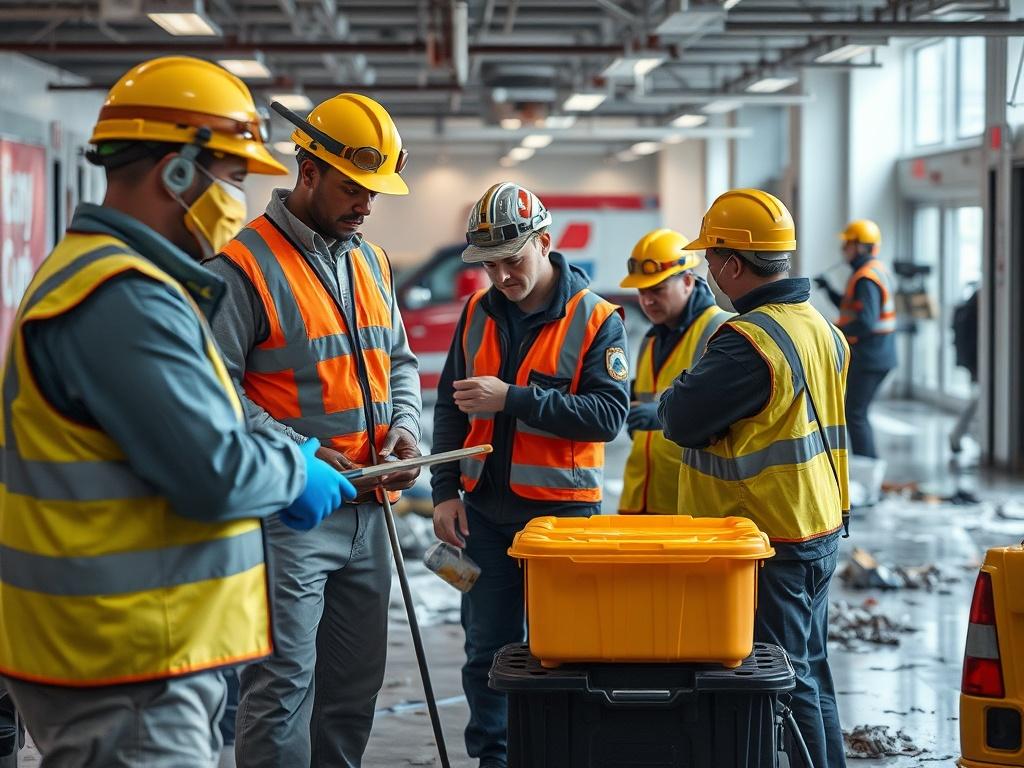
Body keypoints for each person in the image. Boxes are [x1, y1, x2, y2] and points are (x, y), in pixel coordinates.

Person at [0, 56, 355, 768]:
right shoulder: (123, 296)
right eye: (231, 176)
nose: (237, 198)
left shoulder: (107, 275)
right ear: (178, 172)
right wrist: (294, 469)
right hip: (128, 660)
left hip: (125, 649)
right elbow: (213, 467)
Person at [205, 92, 421, 768]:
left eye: (374, 193)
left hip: (371, 510)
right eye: (355, 188)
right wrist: (296, 451)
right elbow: (214, 394)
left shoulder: (373, 263)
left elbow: (401, 361)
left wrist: (406, 428)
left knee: (354, 689)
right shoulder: (239, 268)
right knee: (281, 689)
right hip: (291, 516)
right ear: (308, 172)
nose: (366, 205)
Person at [430, 182, 629, 768]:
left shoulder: (596, 320)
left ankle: (560, 755)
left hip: (562, 520)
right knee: (484, 651)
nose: (500, 276)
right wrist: (445, 493)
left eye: (511, 261)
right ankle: (495, 759)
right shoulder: (475, 312)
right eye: (489, 264)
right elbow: (450, 407)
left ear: (544, 242)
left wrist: (513, 399)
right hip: (484, 517)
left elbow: (607, 417)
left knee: (562, 652)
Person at [660, 189, 850, 768]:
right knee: (809, 675)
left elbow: (679, 418)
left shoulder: (748, 343)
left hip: (769, 539)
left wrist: (678, 393)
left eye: (711, 260)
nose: (709, 273)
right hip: (817, 527)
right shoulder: (819, 325)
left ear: (732, 265)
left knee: (782, 690)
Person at [618, 228, 731, 515]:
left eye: (657, 290)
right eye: (642, 292)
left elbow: (722, 412)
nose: (647, 301)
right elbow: (647, 392)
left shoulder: (720, 332)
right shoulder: (651, 338)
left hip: (687, 502)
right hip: (640, 496)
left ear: (688, 282)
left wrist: (659, 414)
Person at [815, 219, 897, 458]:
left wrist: (833, 331)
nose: (843, 250)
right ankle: (868, 470)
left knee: (855, 413)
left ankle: (869, 473)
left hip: (870, 356)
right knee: (856, 412)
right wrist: (828, 289)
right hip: (879, 354)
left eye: (847, 244)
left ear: (860, 247)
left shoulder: (865, 277)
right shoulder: (874, 271)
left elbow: (865, 321)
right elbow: (852, 307)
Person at [950, 286, 980, 454]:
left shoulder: (973, 300)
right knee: (977, 399)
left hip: (973, 359)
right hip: (977, 360)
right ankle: (958, 436)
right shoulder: (978, 302)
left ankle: (959, 435)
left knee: (976, 399)